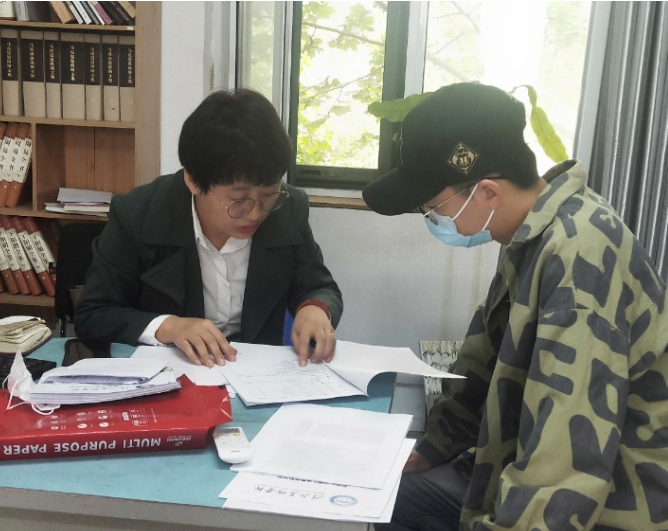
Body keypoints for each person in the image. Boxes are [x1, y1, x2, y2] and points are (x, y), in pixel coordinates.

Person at [363, 82, 668, 531]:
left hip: (609, 504)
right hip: (520, 464)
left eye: (433, 208)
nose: (434, 220)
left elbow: (566, 463)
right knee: (384, 498)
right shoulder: (528, 236)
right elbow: (484, 361)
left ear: (488, 192)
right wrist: (432, 447)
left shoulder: (578, 258)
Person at [75, 89, 342, 368]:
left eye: (269, 194)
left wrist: (315, 309)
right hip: (171, 371)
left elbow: (318, 286)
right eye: (238, 199)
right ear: (192, 180)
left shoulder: (288, 209)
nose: (256, 212)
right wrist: (168, 326)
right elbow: (94, 314)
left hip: (256, 374)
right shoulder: (138, 214)